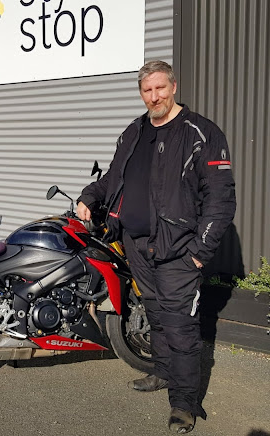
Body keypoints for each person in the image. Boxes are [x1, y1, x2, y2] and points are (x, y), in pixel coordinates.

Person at [76, 60, 236, 433]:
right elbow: (113, 179)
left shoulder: (201, 133)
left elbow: (220, 200)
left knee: (180, 327)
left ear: (174, 87)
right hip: (136, 244)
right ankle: (162, 373)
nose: (154, 97)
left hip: (179, 250)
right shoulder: (134, 132)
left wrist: (199, 252)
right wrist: (89, 196)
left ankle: (184, 404)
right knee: (156, 315)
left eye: (160, 88)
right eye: (147, 90)